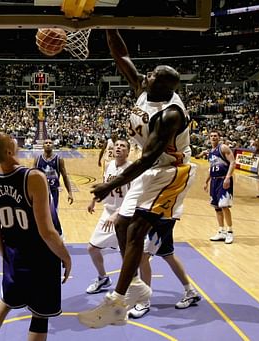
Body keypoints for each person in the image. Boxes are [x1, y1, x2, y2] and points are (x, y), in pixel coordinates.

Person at [78, 29, 196, 328]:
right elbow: (121, 55)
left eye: (153, 75)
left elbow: (145, 159)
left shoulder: (170, 114)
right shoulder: (145, 89)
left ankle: (117, 303)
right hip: (152, 169)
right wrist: (109, 26)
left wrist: (110, 184)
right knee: (120, 224)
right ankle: (135, 286)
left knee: (136, 231)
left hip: (170, 172)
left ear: (164, 87)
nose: (146, 74)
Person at [0, 131, 71, 341]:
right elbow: (47, 232)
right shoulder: (33, 177)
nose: (13, 137)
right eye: (9, 138)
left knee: (6, 301)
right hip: (41, 256)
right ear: (10, 151)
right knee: (40, 315)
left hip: (14, 253)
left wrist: (5, 254)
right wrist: (66, 256)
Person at [86, 139, 132, 294]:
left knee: (129, 255)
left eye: (123, 146)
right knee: (92, 248)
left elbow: (133, 197)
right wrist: (94, 199)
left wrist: (117, 214)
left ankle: (133, 286)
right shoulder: (110, 165)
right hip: (108, 212)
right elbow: (106, 187)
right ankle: (103, 278)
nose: (118, 147)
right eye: (117, 145)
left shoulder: (131, 169)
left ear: (128, 151)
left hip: (124, 215)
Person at [130, 219, 201, 319]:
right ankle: (190, 291)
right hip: (163, 217)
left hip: (160, 219)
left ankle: (144, 301)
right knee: (168, 255)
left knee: (143, 257)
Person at [205, 130, 236, 244]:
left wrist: (228, 177)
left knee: (224, 206)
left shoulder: (223, 148)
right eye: (211, 136)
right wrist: (206, 181)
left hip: (223, 179)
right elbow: (211, 167)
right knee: (216, 207)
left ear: (219, 137)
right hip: (214, 181)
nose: (213, 137)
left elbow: (232, 162)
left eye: (215, 136)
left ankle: (230, 232)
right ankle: (221, 231)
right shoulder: (211, 152)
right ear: (209, 138)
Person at [33, 139, 74, 210]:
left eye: (50, 143)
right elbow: (32, 177)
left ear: (53, 146)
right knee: (40, 214)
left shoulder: (59, 159)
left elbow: (65, 177)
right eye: (46, 143)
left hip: (53, 191)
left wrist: (70, 192)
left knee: (52, 214)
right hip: (40, 191)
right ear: (43, 146)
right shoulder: (37, 159)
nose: (48, 144)